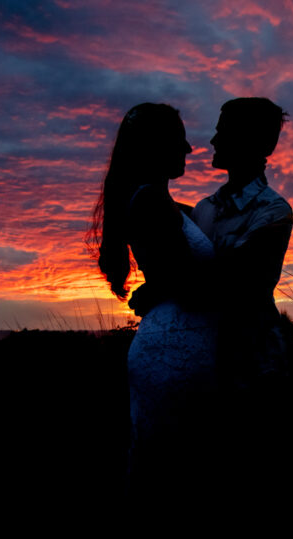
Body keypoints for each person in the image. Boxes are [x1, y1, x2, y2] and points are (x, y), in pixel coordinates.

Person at [90, 102, 218, 505]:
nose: (189, 148)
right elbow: (190, 285)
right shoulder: (149, 202)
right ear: (155, 146)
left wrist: (159, 287)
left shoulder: (163, 204)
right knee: (171, 473)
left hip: (177, 339)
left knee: (170, 467)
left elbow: (175, 273)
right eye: (179, 139)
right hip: (175, 348)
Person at [190, 98, 293, 476]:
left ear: (252, 142)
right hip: (205, 359)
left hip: (254, 364)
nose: (214, 139)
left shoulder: (273, 211)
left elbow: (240, 281)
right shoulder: (203, 208)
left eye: (224, 131)